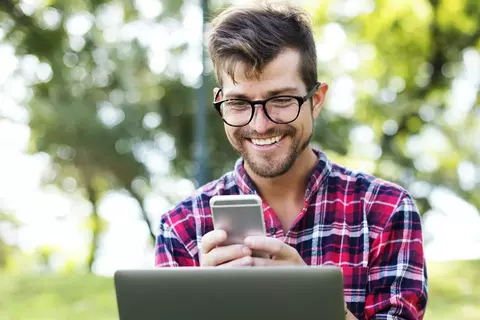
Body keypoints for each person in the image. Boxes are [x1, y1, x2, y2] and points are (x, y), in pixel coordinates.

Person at [155, 2, 428, 319]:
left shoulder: (385, 211)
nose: (260, 125)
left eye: (281, 100)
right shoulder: (181, 227)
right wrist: (204, 304)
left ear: (316, 100)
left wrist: (312, 301)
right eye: (239, 103)